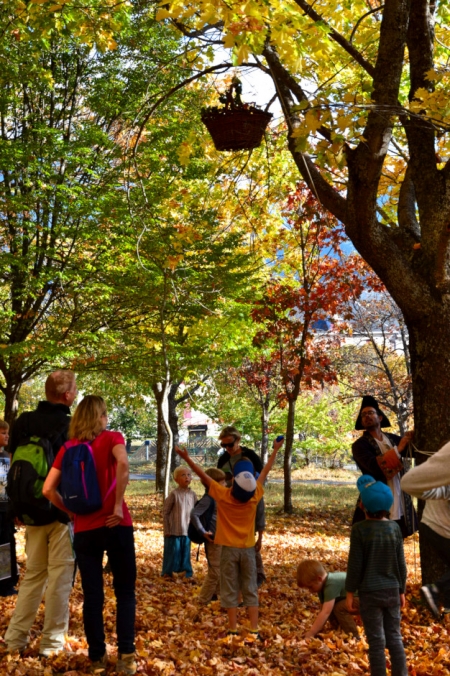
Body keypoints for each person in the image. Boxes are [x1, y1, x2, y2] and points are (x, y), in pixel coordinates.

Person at [43, 395, 136, 675]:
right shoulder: (112, 438)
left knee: (93, 596)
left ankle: (96, 659)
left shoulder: (68, 448)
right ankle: (126, 658)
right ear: (100, 417)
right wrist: (118, 504)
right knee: (125, 593)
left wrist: (72, 512)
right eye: (105, 414)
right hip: (116, 524)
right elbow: (123, 464)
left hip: (85, 529)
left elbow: (48, 489)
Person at [177, 436, 284, 638]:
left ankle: (233, 629)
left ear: (233, 478)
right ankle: (254, 630)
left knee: (230, 589)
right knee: (250, 588)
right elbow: (266, 470)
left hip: (228, 550)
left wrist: (187, 457)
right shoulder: (255, 495)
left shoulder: (223, 495)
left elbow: (203, 476)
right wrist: (276, 449)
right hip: (248, 551)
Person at [5, 370, 77, 657]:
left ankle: (14, 640)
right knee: (60, 579)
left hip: (30, 511)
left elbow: (13, 469)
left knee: (33, 576)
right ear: (67, 395)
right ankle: (51, 645)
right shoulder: (71, 426)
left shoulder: (22, 422)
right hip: (60, 513)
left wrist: (17, 506)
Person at [346, 475, 407, 676]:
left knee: (376, 641)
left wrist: (349, 593)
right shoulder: (394, 528)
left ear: (362, 505)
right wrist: (402, 590)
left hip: (370, 594)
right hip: (392, 591)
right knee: (395, 637)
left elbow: (355, 565)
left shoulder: (359, 530)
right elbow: (400, 564)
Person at [352, 395, 416, 538]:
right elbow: (374, 466)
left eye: (370, 413)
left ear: (380, 418)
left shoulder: (392, 439)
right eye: (363, 415)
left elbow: (415, 451)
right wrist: (398, 449)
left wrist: (413, 436)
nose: (367, 416)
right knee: (375, 540)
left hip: (399, 496)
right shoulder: (359, 445)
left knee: (398, 539)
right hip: (376, 498)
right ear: (362, 422)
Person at [401, 439, 450, 619]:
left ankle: (447, 609)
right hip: (440, 528)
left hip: (431, 525)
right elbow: (410, 483)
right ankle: (433, 589)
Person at [217, 426, 266, 586]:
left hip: (251, 500)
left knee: (250, 537)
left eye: (230, 444)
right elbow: (219, 481)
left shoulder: (249, 456)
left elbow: (261, 477)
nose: (227, 449)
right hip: (231, 503)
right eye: (223, 446)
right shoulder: (223, 459)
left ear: (238, 440)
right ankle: (235, 573)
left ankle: (257, 573)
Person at [190, 467, 226, 604]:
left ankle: (218, 596)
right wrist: (202, 531)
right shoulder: (209, 498)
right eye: (222, 483)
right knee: (215, 571)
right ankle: (202, 599)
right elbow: (194, 514)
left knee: (221, 569)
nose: (225, 485)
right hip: (213, 539)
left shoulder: (220, 496)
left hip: (222, 538)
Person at [296, 559, 359, 638]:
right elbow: (324, 609)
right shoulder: (321, 586)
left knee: (339, 608)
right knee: (332, 607)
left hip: (366, 598)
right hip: (355, 598)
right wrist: (317, 629)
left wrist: (312, 632)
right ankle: (339, 630)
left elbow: (325, 612)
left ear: (319, 579)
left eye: (310, 587)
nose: (310, 591)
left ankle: (353, 636)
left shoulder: (331, 584)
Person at [161, 466, 197, 579]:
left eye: (189, 475)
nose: (187, 477)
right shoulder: (174, 494)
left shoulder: (193, 495)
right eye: (183, 475)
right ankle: (169, 572)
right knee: (173, 552)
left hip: (187, 530)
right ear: (176, 479)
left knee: (185, 552)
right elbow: (165, 512)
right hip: (174, 530)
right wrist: (167, 529)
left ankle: (186, 572)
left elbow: (196, 512)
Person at [0, 420, 18, 597]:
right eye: (3, 432)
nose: (7, 436)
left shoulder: (7, 456)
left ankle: (5, 584)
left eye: (8, 433)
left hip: (5, 510)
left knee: (5, 545)